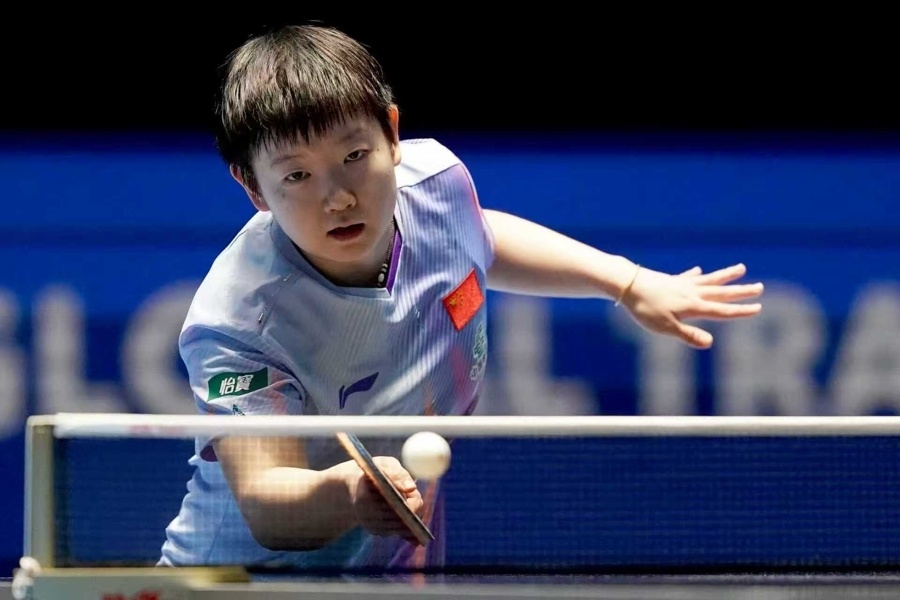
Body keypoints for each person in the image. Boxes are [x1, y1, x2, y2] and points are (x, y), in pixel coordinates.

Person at [158, 24, 764, 571]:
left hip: (384, 574)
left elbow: (479, 236)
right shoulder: (238, 321)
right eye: (297, 175)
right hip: (239, 583)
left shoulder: (437, 183)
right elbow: (266, 501)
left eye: (354, 156)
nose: (338, 197)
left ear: (392, 134)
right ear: (253, 187)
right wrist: (347, 492)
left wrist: (625, 282)